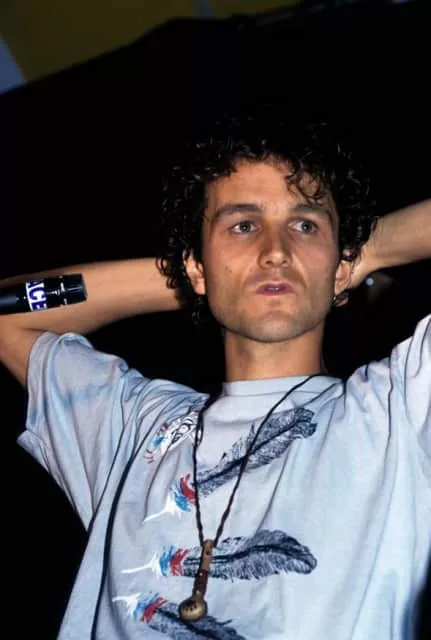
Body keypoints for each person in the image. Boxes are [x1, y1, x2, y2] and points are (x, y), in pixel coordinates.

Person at [0, 103, 430, 640]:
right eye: (243, 226)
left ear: (342, 264)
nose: (276, 252)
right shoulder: (133, 429)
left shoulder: (397, 411)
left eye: (304, 225)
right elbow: (7, 314)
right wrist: (200, 278)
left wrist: (369, 250)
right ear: (197, 266)